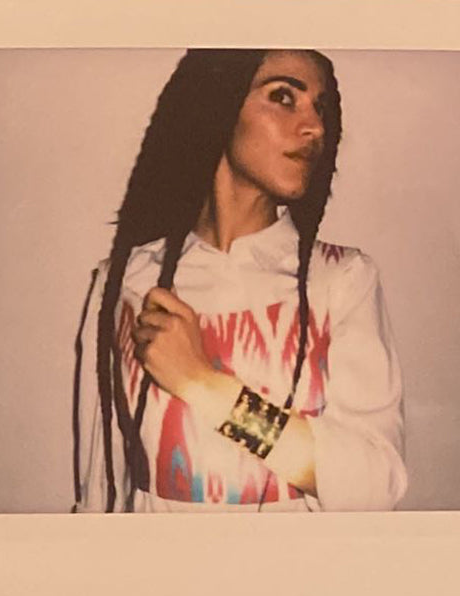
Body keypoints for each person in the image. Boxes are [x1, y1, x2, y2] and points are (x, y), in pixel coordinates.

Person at [73, 48, 407, 513]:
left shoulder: (341, 280)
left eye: (322, 108)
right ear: (219, 106)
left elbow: (374, 486)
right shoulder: (126, 283)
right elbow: (101, 491)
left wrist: (203, 385)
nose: (315, 128)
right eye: (284, 97)